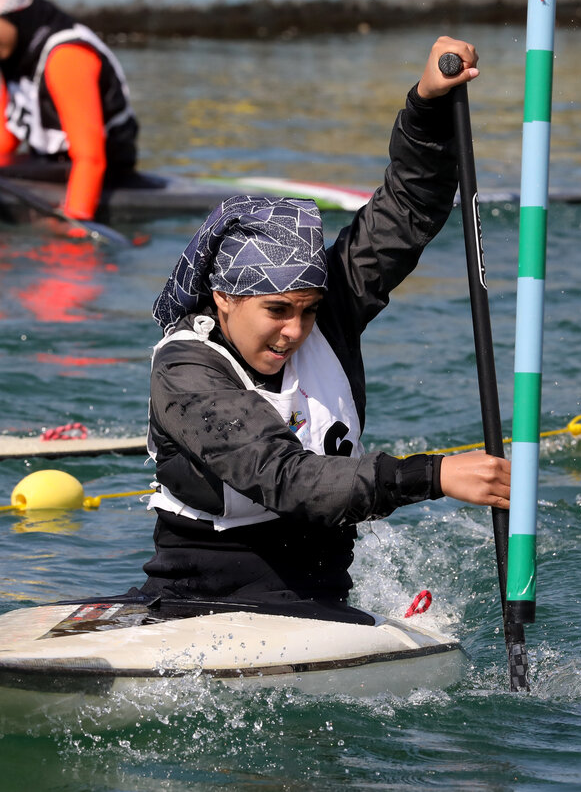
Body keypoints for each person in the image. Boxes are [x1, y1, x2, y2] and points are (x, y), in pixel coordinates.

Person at [139, 37, 511, 625]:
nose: (295, 331)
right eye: (277, 310)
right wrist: (433, 474)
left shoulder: (327, 318)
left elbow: (407, 210)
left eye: (309, 309)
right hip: (203, 599)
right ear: (224, 298)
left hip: (320, 594)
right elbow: (285, 479)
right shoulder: (186, 371)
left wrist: (427, 106)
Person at [0, 0, 139, 223]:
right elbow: (6, 128)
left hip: (99, 176)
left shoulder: (66, 56)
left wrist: (75, 223)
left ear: (11, 11)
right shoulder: (15, 50)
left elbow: (90, 157)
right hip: (51, 166)